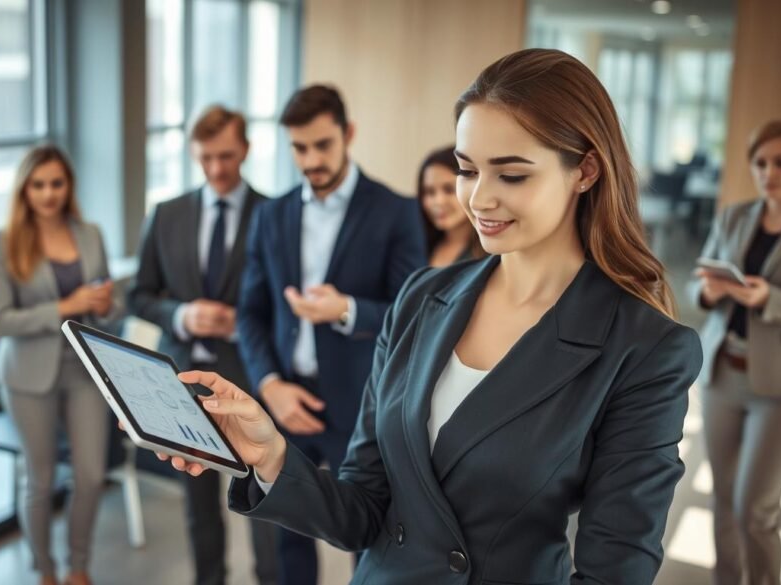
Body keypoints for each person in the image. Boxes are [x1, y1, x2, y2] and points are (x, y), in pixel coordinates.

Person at [167, 49, 703, 584]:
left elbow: (615, 570)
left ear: (585, 170)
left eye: (511, 175)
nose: (479, 199)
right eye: (467, 170)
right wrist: (271, 456)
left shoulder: (644, 349)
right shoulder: (422, 298)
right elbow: (367, 509)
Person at [236, 85, 427, 585]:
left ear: (349, 135)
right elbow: (250, 313)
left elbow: (415, 314)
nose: (311, 159)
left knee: (367, 534)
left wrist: (345, 309)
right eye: (300, 148)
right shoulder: (271, 215)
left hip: (360, 404)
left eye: (323, 145)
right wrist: (270, 384)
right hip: (288, 396)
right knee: (288, 529)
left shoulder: (395, 211)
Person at [129, 105, 277, 585]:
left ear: (247, 150)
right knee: (196, 505)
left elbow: (288, 307)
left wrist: (243, 323)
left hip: (250, 379)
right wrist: (181, 315)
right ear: (194, 152)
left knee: (265, 501)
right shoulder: (166, 215)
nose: (216, 169)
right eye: (206, 157)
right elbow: (139, 295)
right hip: (181, 383)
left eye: (227, 156)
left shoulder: (274, 216)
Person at [693, 119, 781, 585]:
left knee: (755, 509)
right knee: (723, 501)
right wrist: (712, 293)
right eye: (759, 163)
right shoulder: (734, 216)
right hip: (722, 374)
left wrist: (770, 299)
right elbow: (701, 293)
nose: (768, 172)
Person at [0, 145, 122, 585]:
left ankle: (78, 566)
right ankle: (45, 570)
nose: (48, 194)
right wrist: (64, 305)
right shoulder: (5, 242)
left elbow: (108, 304)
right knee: (41, 479)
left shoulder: (90, 234)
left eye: (56, 184)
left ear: (69, 186)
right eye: (38, 184)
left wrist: (102, 303)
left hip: (84, 368)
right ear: (24, 189)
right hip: (27, 374)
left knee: (90, 473)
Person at [417, 146, 483, 266]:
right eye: (430, 192)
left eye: (449, 189)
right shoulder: (418, 246)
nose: (439, 201)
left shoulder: (491, 254)